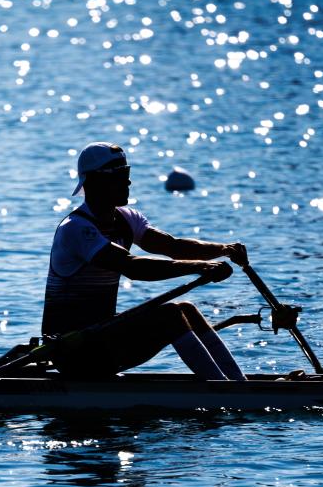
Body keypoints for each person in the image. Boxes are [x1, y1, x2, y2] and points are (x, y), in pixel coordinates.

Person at [42, 141, 248, 381]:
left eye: (127, 173)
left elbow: (173, 247)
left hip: (101, 340)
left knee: (186, 310)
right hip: (73, 351)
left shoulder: (127, 219)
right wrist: (200, 267)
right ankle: (223, 391)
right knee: (170, 315)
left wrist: (224, 249)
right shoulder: (76, 229)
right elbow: (134, 267)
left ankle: (238, 384)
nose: (128, 182)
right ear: (95, 181)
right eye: (120, 175)